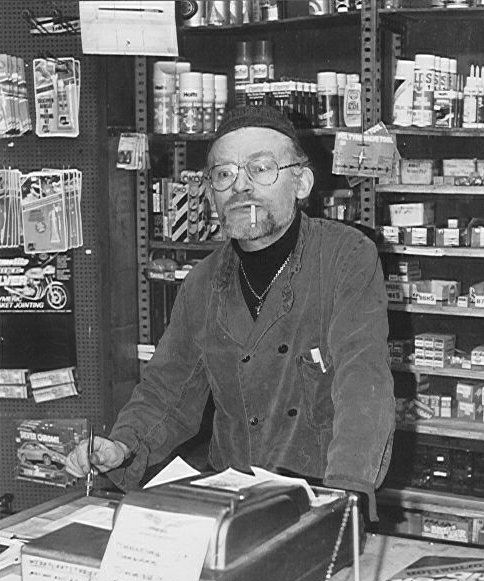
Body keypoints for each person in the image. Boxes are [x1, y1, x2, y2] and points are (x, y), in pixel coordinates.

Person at [66, 105, 395, 520]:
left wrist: (347, 493)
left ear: (301, 182)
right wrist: (122, 445)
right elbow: (167, 390)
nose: (241, 187)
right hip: (232, 501)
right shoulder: (204, 282)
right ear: (212, 192)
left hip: (321, 497)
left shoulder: (345, 256)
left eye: (260, 168)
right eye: (224, 174)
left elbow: (362, 379)